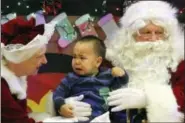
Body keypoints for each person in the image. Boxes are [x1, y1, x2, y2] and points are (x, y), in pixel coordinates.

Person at [92, 1, 184, 122]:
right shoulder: (115, 59)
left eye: (159, 32)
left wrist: (149, 99)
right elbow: (94, 84)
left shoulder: (178, 59)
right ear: (131, 35)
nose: (153, 39)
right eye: (146, 32)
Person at [53, 35, 129, 122]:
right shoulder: (70, 79)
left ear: (97, 61)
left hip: (103, 117)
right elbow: (57, 95)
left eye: (82, 58)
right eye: (74, 57)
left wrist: (121, 74)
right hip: (79, 117)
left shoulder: (107, 75)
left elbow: (122, 83)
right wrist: (61, 106)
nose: (77, 62)